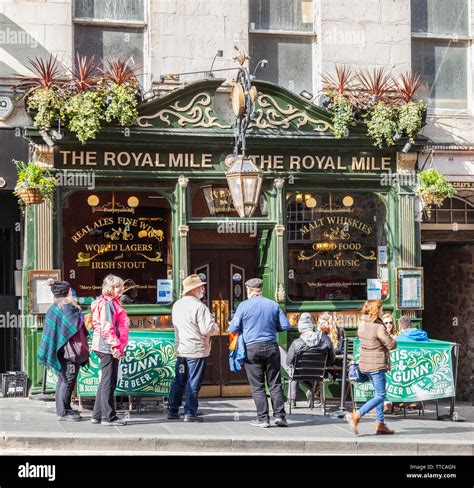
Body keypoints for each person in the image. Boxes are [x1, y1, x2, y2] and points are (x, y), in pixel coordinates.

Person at [229, 278, 290, 428]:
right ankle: (280, 416)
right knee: (275, 383)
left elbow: (232, 328)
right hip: (271, 346)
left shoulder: (243, 306)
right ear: (260, 290)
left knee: (258, 386)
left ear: (249, 290)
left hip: (252, 348)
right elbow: (285, 325)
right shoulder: (273, 305)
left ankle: (263, 419)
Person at [167, 274, 218, 422]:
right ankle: (190, 412)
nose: (203, 289)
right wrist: (215, 327)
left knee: (179, 380)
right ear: (194, 289)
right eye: (201, 286)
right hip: (196, 350)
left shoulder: (177, 305)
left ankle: (172, 409)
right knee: (193, 381)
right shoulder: (200, 307)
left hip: (182, 349)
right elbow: (206, 329)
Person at [38, 279, 87, 421]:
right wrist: (78, 309)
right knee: (68, 379)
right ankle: (63, 412)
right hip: (68, 351)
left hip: (60, 349)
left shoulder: (54, 307)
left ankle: (64, 408)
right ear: (67, 292)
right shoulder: (68, 307)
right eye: (71, 290)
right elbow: (76, 324)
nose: (72, 292)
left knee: (63, 378)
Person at [346, 299, 397, 435]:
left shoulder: (362, 324)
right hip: (377, 365)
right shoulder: (378, 327)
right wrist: (392, 339)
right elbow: (391, 344)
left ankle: (380, 424)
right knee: (381, 395)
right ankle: (356, 415)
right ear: (376, 310)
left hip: (364, 364)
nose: (382, 311)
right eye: (380, 309)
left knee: (377, 393)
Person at [91, 274, 130, 426]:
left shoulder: (108, 302)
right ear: (110, 288)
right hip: (107, 346)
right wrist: (115, 346)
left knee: (105, 381)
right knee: (109, 381)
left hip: (105, 345)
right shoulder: (108, 303)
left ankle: (97, 415)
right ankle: (109, 417)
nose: (121, 289)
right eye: (117, 287)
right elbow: (108, 327)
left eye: (121, 286)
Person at [281, 312, 335, 406]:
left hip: (299, 373)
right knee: (293, 368)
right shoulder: (325, 339)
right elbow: (332, 358)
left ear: (300, 329)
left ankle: (291, 400)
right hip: (319, 373)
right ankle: (313, 390)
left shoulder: (296, 343)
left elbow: (288, 362)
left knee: (288, 363)